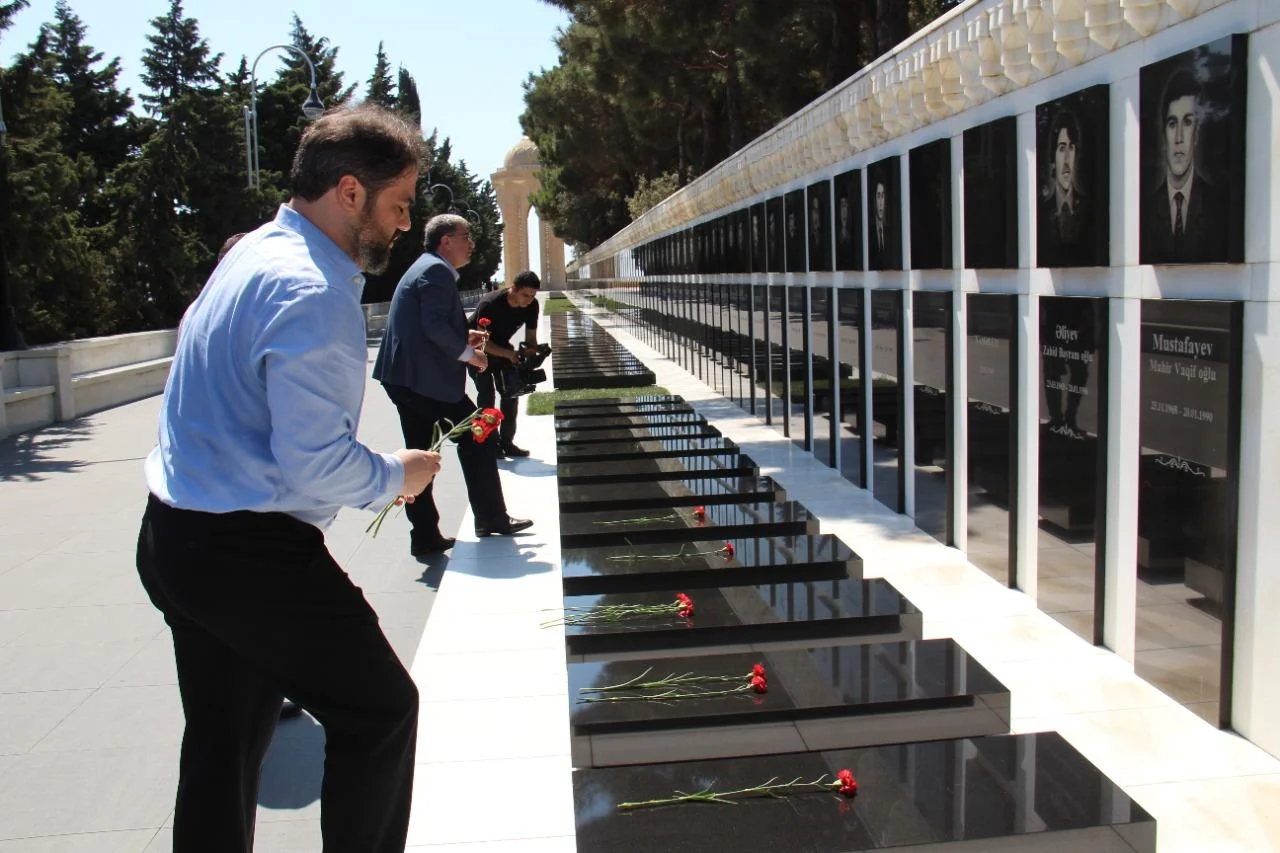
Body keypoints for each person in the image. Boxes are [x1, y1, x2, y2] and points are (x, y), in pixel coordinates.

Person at [136, 104, 441, 853]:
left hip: (174, 536)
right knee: (381, 709)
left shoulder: (252, 254)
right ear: (349, 192)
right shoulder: (314, 289)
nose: (402, 225)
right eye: (398, 205)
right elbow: (315, 462)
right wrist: (394, 475)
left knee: (224, 745)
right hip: (248, 553)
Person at [374, 213, 533, 557]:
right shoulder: (434, 271)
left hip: (406, 379)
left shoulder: (429, 268)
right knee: (479, 433)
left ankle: (425, 535)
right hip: (420, 381)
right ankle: (490, 518)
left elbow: (431, 322)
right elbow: (432, 326)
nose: (471, 243)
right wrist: (469, 354)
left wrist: (465, 335)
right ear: (446, 240)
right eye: (466, 237)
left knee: (419, 453)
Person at [1141, 68, 1229, 264]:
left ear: (1196, 133)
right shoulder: (1145, 211)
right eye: (1172, 124)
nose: (1179, 137)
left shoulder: (1217, 206)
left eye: (1187, 123)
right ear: (1164, 135)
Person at [469, 270, 542, 457]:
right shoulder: (490, 304)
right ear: (513, 289)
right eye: (525, 295)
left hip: (502, 348)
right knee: (487, 396)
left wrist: (532, 355)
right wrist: (509, 354)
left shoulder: (532, 305)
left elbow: (531, 337)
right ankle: (488, 444)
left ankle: (507, 442)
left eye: (533, 295)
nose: (529, 299)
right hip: (476, 350)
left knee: (511, 392)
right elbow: (482, 342)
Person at [1038, 108, 1091, 267]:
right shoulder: (1041, 213)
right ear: (1053, 158)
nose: (1067, 159)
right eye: (1062, 148)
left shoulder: (1088, 209)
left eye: (1071, 148)